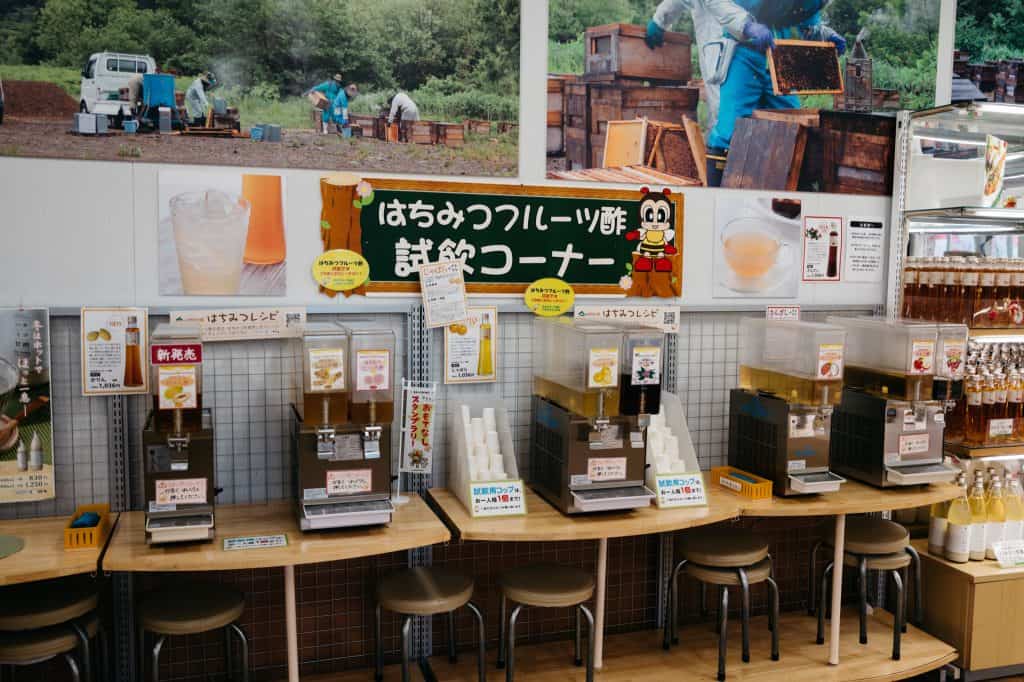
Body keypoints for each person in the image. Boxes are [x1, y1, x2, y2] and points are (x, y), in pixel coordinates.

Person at [700, 0, 846, 186]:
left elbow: (806, 19)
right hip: (743, 51)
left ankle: (796, 192)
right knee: (731, 131)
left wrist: (824, 34)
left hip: (780, 57)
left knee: (795, 129)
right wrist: (746, 25)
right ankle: (716, 195)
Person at [645, 0, 730, 132]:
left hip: (717, 41)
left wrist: (659, 20)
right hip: (742, 39)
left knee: (720, 102)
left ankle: (721, 141)